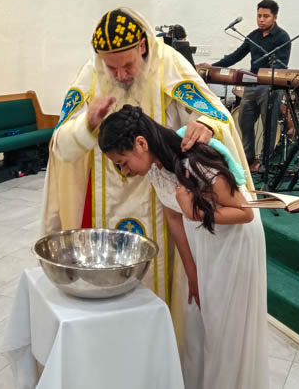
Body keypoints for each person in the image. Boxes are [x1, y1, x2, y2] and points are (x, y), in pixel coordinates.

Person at [42, 8, 252, 386]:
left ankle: (160, 372)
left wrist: (205, 125)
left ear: (143, 46)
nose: (121, 75)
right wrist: (86, 126)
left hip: (167, 198)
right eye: (112, 68)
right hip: (106, 206)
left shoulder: (169, 65)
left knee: (166, 296)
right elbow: (60, 147)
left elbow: (215, 114)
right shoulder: (92, 74)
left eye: (127, 65)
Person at [99, 105, 268, 388]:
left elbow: (245, 212)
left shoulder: (195, 161)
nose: (124, 171)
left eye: (123, 162)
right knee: (200, 321)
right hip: (206, 239)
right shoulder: (156, 169)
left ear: (141, 143)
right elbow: (174, 219)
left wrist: (195, 213)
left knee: (225, 328)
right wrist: (192, 273)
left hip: (234, 242)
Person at [199, 0, 291, 172]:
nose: (261, 20)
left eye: (266, 16)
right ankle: (248, 158)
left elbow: (282, 65)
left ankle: (264, 162)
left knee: (269, 126)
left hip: (270, 87)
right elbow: (236, 55)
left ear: (275, 17)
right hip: (251, 84)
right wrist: (214, 66)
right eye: (259, 16)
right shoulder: (254, 35)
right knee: (244, 122)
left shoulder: (283, 37)